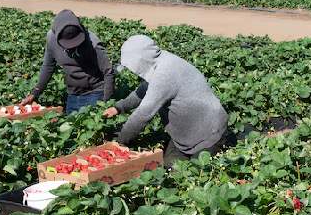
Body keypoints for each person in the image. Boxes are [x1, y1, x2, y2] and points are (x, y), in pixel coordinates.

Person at [103, 35, 231, 168]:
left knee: (191, 175)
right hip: (183, 136)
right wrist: (118, 107)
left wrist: (119, 143)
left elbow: (142, 115)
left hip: (208, 132)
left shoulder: (165, 73)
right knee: (170, 168)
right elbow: (144, 90)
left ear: (140, 60)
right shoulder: (160, 60)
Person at [21, 9, 114, 113]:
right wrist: (36, 92)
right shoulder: (51, 39)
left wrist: (105, 102)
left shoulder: (93, 43)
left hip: (94, 93)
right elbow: (48, 66)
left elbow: (108, 72)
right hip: (73, 94)